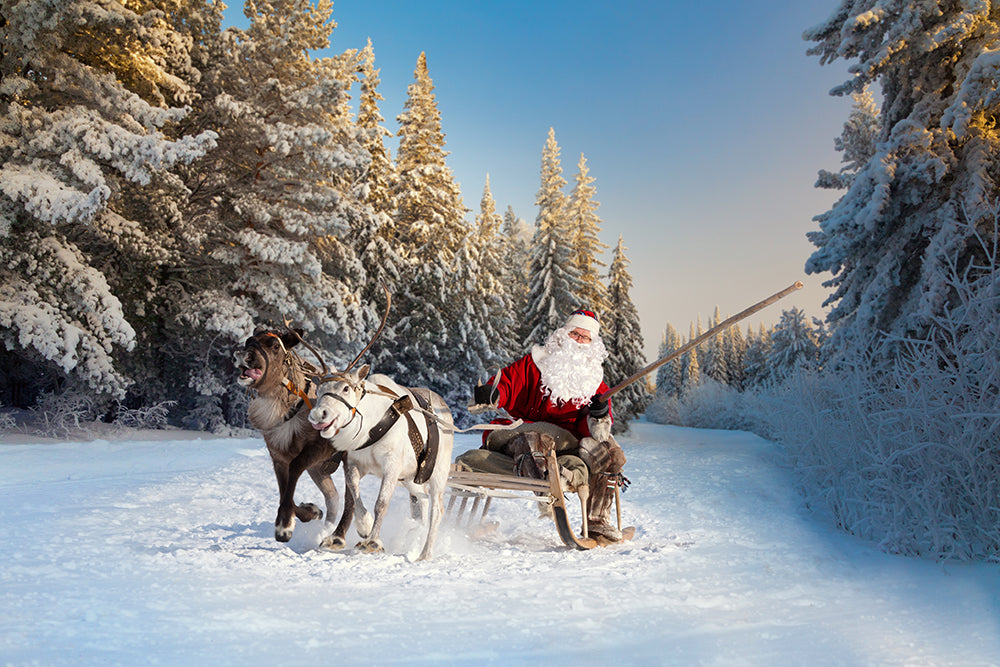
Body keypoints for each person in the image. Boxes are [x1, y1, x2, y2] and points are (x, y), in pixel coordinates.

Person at [457, 309, 627, 541]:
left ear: (592, 344)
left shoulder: (595, 382)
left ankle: (598, 522)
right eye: (574, 334)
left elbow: (595, 432)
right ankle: (547, 482)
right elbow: (507, 383)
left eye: (585, 338)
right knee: (535, 437)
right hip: (519, 430)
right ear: (563, 334)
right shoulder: (534, 363)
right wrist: (493, 393)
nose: (578, 341)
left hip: (566, 440)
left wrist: (598, 416)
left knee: (609, 449)